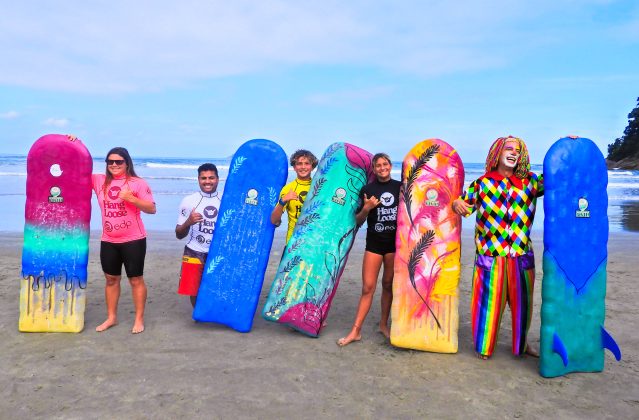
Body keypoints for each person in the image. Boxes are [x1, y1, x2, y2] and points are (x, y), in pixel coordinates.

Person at [452, 136, 543, 359]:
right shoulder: (482, 184)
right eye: (509, 149)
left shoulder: (531, 182)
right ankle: (484, 347)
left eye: (518, 150)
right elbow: (462, 206)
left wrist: (569, 145)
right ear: (497, 153)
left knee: (524, 305)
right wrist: (456, 203)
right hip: (491, 256)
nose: (514, 153)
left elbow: (559, 176)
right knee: (487, 304)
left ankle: (522, 345)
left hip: (521, 255)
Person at [338, 153, 401, 346]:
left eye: (385, 164)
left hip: (394, 245)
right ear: (374, 169)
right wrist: (367, 207)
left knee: (388, 285)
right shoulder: (368, 189)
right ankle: (355, 331)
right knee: (368, 287)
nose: (382, 168)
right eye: (378, 166)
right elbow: (358, 220)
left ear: (390, 165)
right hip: (374, 244)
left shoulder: (400, 188)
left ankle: (383, 324)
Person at [92, 147, 156, 334]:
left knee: (135, 279)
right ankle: (111, 317)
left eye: (118, 161)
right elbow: (75, 168)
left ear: (127, 163)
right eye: (110, 161)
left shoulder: (137, 183)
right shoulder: (99, 181)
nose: (114, 164)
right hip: (109, 239)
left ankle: (139, 319)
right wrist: (72, 142)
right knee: (111, 279)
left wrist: (132, 199)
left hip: (133, 240)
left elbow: (151, 208)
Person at [175, 163, 221, 307]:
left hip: (218, 252)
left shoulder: (225, 200)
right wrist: (188, 222)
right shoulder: (189, 201)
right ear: (198, 179)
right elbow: (179, 234)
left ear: (218, 179)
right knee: (193, 290)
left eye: (211, 178)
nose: (207, 181)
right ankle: (199, 315)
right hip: (194, 251)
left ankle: (213, 313)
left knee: (218, 287)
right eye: (203, 178)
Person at [270, 149, 318, 244]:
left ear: (312, 167)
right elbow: (274, 221)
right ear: (294, 167)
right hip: (293, 244)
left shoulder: (320, 187)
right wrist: (283, 201)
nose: (303, 167)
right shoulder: (288, 189)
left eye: (307, 163)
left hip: (314, 245)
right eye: (299, 163)